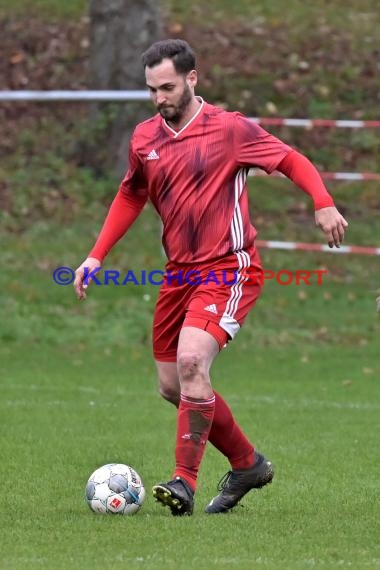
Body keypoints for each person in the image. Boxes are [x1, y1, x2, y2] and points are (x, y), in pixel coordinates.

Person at [74, 39, 348, 516]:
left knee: (193, 365)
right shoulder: (145, 138)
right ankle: (247, 464)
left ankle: (184, 481)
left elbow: (290, 160)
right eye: (152, 90)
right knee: (173, 386)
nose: (160, 98)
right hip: (178, 274)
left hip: (228, 267)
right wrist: (96, 255)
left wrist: (322, 202)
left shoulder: (230, 129)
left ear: (192, 78)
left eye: (168, 87)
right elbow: (131, 195)